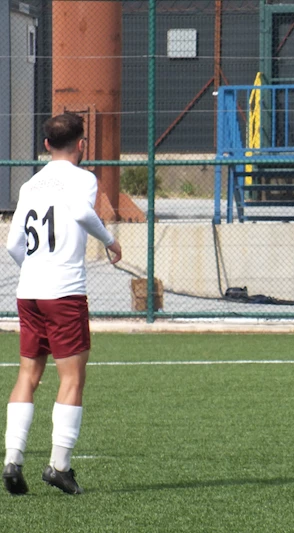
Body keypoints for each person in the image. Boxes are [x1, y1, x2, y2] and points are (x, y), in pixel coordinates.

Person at [3, 113, 123, 495]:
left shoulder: (30, 185)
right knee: (71, 378)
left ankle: (12, 459)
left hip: (29, 291)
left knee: (28, 375)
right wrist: (110, 241)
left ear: (46, 145)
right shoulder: (84, 179)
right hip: (64, 292)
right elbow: (82, 212)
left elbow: (13, 244)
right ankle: (59, 466)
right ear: (81, 144)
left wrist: (35, 269)